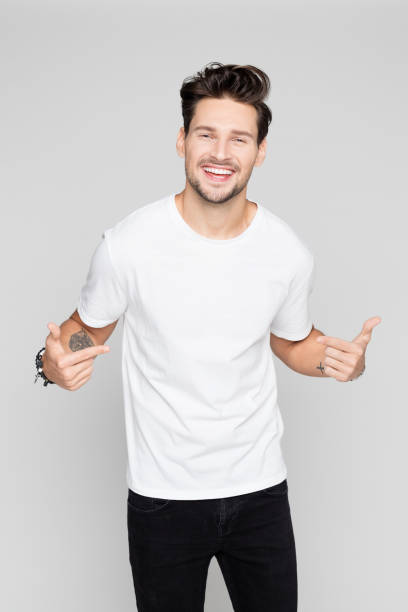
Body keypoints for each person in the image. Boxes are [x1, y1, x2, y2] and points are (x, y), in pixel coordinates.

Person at [35, 62, 380, 611]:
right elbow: (84, 332)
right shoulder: (129, 244)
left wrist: (339, 362)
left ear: (260, 151)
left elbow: (293, 342)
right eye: (206, 134)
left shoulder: (286, 252)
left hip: (260, 490)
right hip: (163, 499)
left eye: (238, 138)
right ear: (182, 141)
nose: (221, 153)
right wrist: (55, 363)